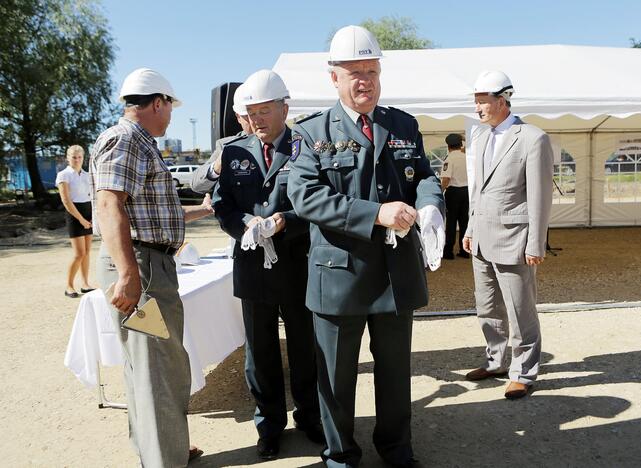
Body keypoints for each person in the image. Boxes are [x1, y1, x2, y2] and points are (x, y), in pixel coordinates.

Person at [287, 25, 444, 468]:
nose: (365, 80)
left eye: (371, 70)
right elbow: (306, 197)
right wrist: (376, 214)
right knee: (336, 378)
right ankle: (340, 455)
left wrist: (431, 207)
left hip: (395, 274)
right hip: (340, 275)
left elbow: (425, 176)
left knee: (394, 374)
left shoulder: (402, 124)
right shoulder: (311, 132)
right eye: (354, 71)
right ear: (332, 76)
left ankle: (396, 450)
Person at [90, 68, 214, 467]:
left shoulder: (137, 141)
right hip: (141, 268)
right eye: (170, 108)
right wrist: (128, 275)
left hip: (147, 263)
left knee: (155, 365)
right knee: (156, 368)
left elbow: (154, 213)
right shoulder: (126, 140)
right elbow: (110, 205)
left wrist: (204, 210)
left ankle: (166, 449)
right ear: (157, 103)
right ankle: (166, 460)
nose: (171, 116)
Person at [212, 69, 323, 460]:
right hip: (252, 267)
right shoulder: (233, 151)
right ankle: (269, 425)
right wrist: (244, 224)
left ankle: (311, 418)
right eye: (251, 112)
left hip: (297, 264)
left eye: (264, 110)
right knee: (260, 354)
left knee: (305, 348)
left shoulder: (305, 146)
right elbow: (222, 204)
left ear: (284, 108)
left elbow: (317, 201)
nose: (257, 119)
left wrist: (284, 222)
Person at [462, 70, 554, 400]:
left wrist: (536, 242)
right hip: (482, 239)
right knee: (486, 307)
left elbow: (540, 196)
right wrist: (470, 228)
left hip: (515, 240)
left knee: (519, 310)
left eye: (482, 102)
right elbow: (480, 190)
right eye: (475, 103)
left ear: (502, 101)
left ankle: (524, 371)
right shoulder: (482, 137)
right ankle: (496, 360)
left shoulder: (532, 138)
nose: (477, 109)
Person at [191, 84, 252, 194]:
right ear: (238, 117)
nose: (254, 121)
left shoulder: (287, 142)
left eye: (261, 112)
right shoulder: (227, 145)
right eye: (248, 116)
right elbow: (196, 185)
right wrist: (215, 168)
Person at [56, 145, 96, 297]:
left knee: (87, 252)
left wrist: (92, 216)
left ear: (83, 158)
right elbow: (66, 201)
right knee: (79, 254)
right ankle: (69, 286)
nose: (77, 160)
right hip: (74, 214)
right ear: (68, 158)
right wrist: (81, 220)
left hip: (88, 212)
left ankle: (85, 284)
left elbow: (92, 196)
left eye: (80, 157)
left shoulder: (87, 175)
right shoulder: (63, 175)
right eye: (74, 157)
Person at [440, 133, 470, 259]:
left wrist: (440, 192)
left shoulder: (449, 159)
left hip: (453, 192)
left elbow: (446, 179)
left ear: (448, 146)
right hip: (466, 191)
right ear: (460, 144)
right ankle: (465, 250)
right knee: (464, 222)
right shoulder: (467, 157)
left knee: (451, 222)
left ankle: (448, 251)